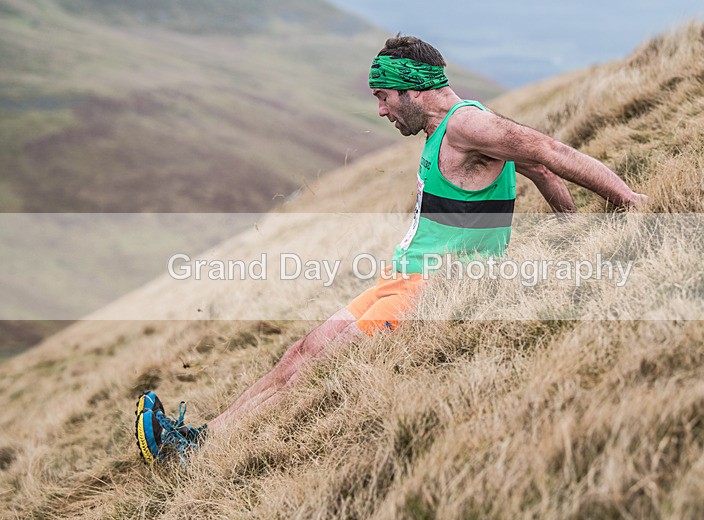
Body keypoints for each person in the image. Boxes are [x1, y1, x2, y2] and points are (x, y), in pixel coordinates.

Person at [135, 35, 647, 464]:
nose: (380, 110)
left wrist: (627, 202)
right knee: (301, 352)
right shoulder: (452, 128)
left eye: (384, 97)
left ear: (413, 88)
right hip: (400, 278)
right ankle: (199, 440)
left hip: (431, 289)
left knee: (315, 367)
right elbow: (537, 170)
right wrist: (571, 228)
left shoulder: (468, 125)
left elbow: (549, 153)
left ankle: (200, 458)